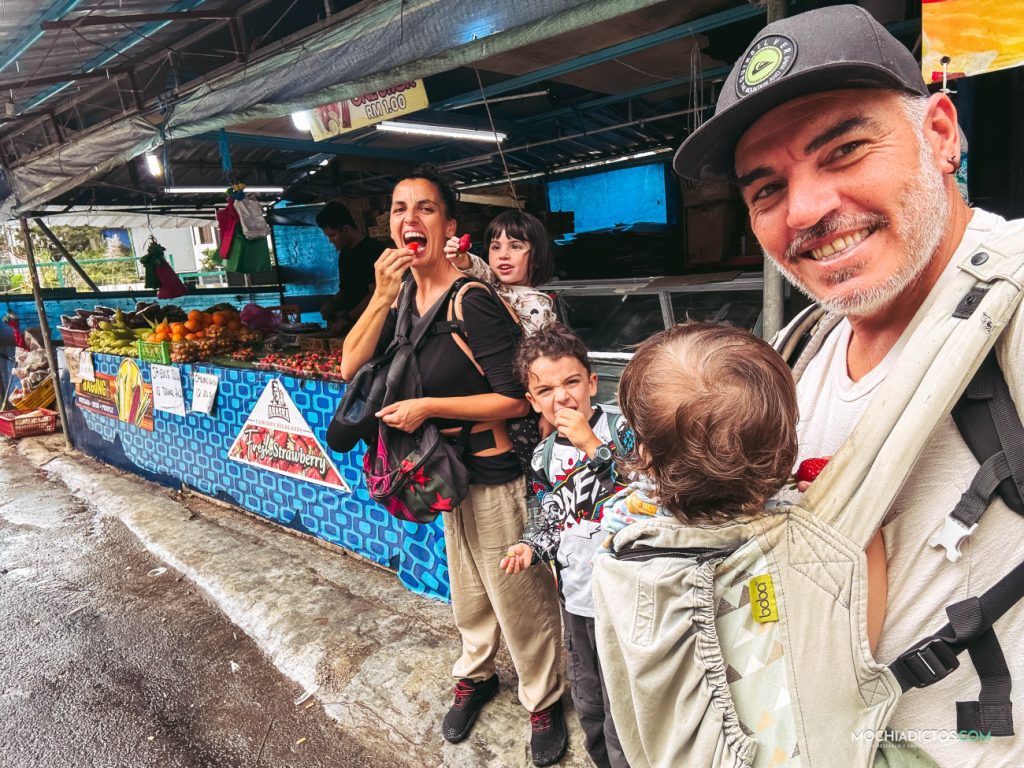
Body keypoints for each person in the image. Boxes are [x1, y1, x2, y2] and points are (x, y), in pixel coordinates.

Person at [672, 5, 1024, 766]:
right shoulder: (801, 348)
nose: (805, 210)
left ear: (939, 133)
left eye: (845, 150)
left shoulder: (1012, 305)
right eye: (766, 190)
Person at [339, 165, 567, 767]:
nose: (409, 220)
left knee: (518, 596)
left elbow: (517, 397)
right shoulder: (403, 296)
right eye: (398, 209)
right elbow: (348, 365)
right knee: (468, 593)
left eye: (425, 209)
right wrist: (382, 294)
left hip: (491, 471)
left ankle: (543, 698)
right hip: (442, 471)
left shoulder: (473, 300)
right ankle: (478, 673)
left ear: (449, 227)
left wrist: (429, 405)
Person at [501, 322, 633, 768]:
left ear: (592, 382)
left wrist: (594, 446)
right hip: (577, 598)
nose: (562, 397)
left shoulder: (621, 427)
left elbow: (652, 491)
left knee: (625, 707)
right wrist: (529, 546)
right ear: (532, 400)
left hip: (626, 595)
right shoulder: (541, 456)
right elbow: (546, 516)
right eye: (546, 389)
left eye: (572, 381)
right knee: (590, 701)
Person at [444, 209, 557, 336]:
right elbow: (479, 268)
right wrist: (463, 259)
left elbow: (540, 351)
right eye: (496, 247)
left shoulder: (535, 304)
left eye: (515, 246)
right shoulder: (493, 283)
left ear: (536, 258)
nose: (503, 255)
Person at [316, 201, 381, 335]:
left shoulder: (374, 250)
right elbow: (346, 289)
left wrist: (348, 317)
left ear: (346, 229)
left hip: (373, 327)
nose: (330, 241)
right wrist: (332, 304)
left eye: (333, 235)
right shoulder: (344, 254)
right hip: (351, 327)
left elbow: (377, 293)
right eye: (328, 236)